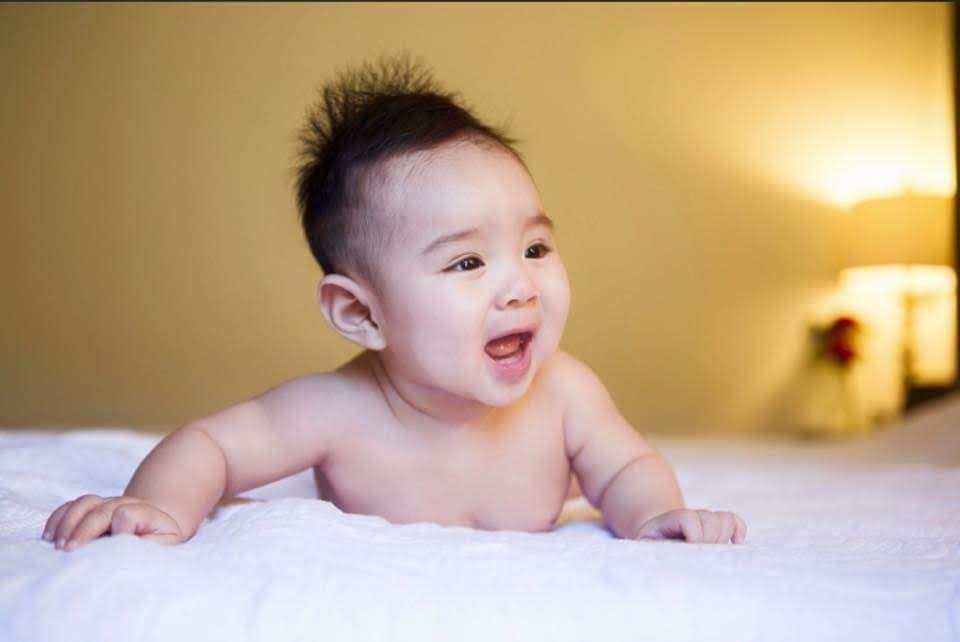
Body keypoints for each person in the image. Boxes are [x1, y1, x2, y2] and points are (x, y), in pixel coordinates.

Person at [43, 54, 747, 551]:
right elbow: (211, 448)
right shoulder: (334, 410)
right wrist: (160, 507)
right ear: (362, 314)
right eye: (468, 261)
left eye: (535, 248)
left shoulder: (565, 394)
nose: (521, 286)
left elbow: (626, 469)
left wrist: (654, 516)